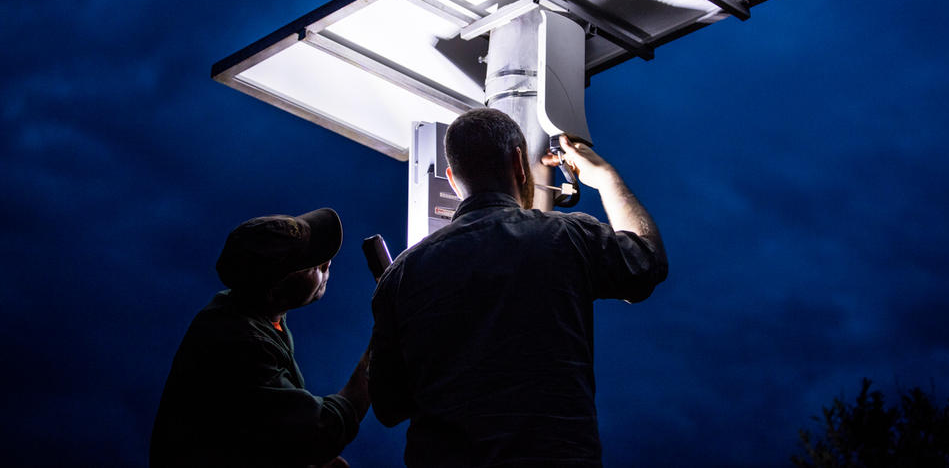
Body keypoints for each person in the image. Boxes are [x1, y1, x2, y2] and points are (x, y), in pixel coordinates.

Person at [369, 108, 668, 467]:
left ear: (451, 178)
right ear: (518, 163)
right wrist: (605, 178)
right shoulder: (566, 237)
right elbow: (647, 262)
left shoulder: (401, 275)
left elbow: (388, 406)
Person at [151, 208, 370, 468]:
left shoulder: (247, 312)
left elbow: (253, 427)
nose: (327, 262)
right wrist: (381, 349)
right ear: (274, 291)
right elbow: (320, 431)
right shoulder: (241, 345)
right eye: (311, 263)